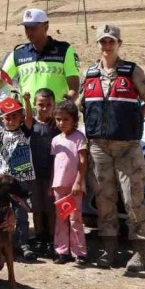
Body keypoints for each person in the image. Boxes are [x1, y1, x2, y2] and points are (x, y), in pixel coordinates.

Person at [78, 24, 145, 272]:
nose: (107, 46)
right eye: (103, 41)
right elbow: (81, 105)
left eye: (111, 41)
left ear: (119, 44)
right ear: (98, 44)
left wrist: (134, 122)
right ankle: (109, 249)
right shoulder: (90, 73)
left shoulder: (131, 71)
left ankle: (139, 251)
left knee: (132, 198)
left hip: (126, 147)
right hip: (98, 147)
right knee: (104, 199)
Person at [0, 95, 37, 261]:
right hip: (3, 179)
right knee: (1, 212)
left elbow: (30, 119)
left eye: (15, 116)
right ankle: (3, 244)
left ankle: (23, 243)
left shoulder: (24, 132)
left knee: (21, 212)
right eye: (7, 117)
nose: (10, 120)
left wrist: (26, 101)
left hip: (20, 178)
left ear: (21, 119)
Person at [1, 9, 80, 102]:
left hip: (56, 114)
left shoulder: (64, 50)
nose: (29, 32)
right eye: (26, 28)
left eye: (33, 28)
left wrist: (62, 109)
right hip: (28, 115)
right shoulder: (18, 53)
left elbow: (74, 89)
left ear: (46, 27)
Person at [51, 100, 89, 264]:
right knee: (61, 219)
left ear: (74, 119)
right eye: (58, 119)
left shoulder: (79, 138)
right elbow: (55, 163)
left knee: (75, 219)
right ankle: (61, 251)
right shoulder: (55, 140)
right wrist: (51, 184)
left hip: (74, 187)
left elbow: (83, 161)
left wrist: (78, 182)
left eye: (66, 119)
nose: (62, 123)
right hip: (58, 186)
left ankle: (79, 252)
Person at [29, 88, 60, 257]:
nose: (44, 108)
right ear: (35, 104)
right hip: (34, 173)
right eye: (41, 104)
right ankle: (39, 238)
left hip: (51, 173)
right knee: (37, 208)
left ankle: (51, 240)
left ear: (53, 105)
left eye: (49, 105)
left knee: (50, 209)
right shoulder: (30, 124)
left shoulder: (56, 125)